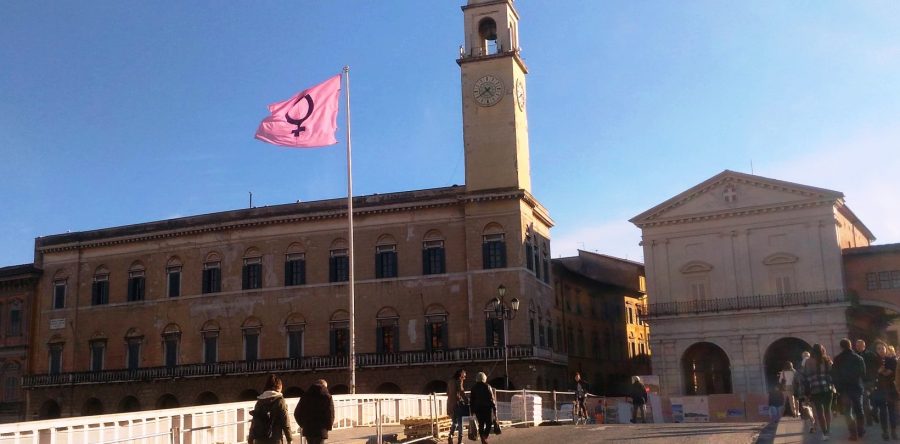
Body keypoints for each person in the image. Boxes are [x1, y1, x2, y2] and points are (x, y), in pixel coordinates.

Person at [833, 338, 867, 441]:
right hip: (857, 387)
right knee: (859, 409)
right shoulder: (858, 358)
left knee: (848, 411)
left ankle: (853, 433)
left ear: (841, 347)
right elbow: (863, 373)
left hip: (844, 389)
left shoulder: (837, 359)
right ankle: (860, 430)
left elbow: (834, 375)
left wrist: (838, 387)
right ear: (850, 345)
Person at [802, 343, 834, 441]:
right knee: (828, 410)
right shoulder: (827, 360)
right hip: (827, 388)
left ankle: (824, 433)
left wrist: (806, 392)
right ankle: (828, 429)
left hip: (815, 389)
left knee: (820, 412)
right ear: (822, 350)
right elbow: (833, 373)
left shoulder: (808, 362)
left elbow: (805, 376)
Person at [248, 374, 292, 444]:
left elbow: (254, 422)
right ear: (279, 387)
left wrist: (250, 439)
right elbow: (285, 422)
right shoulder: (280, 401)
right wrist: (289, 439)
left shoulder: (260, 401)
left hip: (259, 440)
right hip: (275, 439)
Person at [294, 379, 335, 444]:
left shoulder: (305, 396)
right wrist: (327, 427)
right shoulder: (327, 397)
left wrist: (303, 425)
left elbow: (297, 413)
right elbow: (330, 414)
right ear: (324, 386)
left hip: (308, 429)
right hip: (321, 430)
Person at [872, 342, 898, 440]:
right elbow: (872, 374)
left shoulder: (891, 360)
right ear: (876, 350)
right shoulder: (874, 361)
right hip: (880, 389)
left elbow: (888, 373)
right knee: (883, 412)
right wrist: (878, 371)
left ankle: (894, 431)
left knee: (892, 411)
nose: (881, 350)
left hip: (891, 388)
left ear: (886, 349)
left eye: (882, 348)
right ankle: (885, 432)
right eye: (878, 349)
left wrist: (880, 371)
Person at [856, 339, 880, 426]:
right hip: (862, 381)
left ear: (864, 346)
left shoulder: (870, 355)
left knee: (873, 400)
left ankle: (874, 412)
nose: (858, 348)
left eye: (860, 346)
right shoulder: (855, 356)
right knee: (865, 402)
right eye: (857, 346)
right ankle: (869, 421)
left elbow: (878, 365)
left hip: (871, 380)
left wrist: (875, 375)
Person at [469, 372, 496, 444]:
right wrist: (494, 408)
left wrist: (472, 411)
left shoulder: (473, 388)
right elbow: (491, 398)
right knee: (489, 423)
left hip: (477, 409)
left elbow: (471, 400)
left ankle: (482, 439)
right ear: (484, 378)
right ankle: (484, 437)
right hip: (487, 408)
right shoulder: (487, 386)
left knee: (481, 424)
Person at [446, 369, 469, 444]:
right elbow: (461, 392)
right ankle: (460, 441)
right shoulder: (459, 381)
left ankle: (450, 436)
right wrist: (466, 401)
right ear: (461, 375)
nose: (465, 378)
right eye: (464, 376)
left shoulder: (450, 381)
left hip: (450, 403)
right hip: (457, 404)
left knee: (454, 422)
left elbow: (448, 392)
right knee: (460, 422)